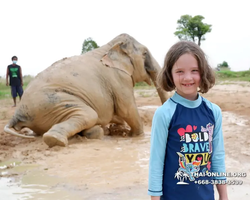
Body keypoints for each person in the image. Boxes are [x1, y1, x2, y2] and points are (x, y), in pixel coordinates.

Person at [148, 41, 228, 200]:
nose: (187, 77)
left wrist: (223, 196)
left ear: (203, 72)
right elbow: (156, 163)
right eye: (179, 71)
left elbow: (217, 157)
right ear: (169, 74)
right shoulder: (164, 113)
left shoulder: (213, 112)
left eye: (194, 70)